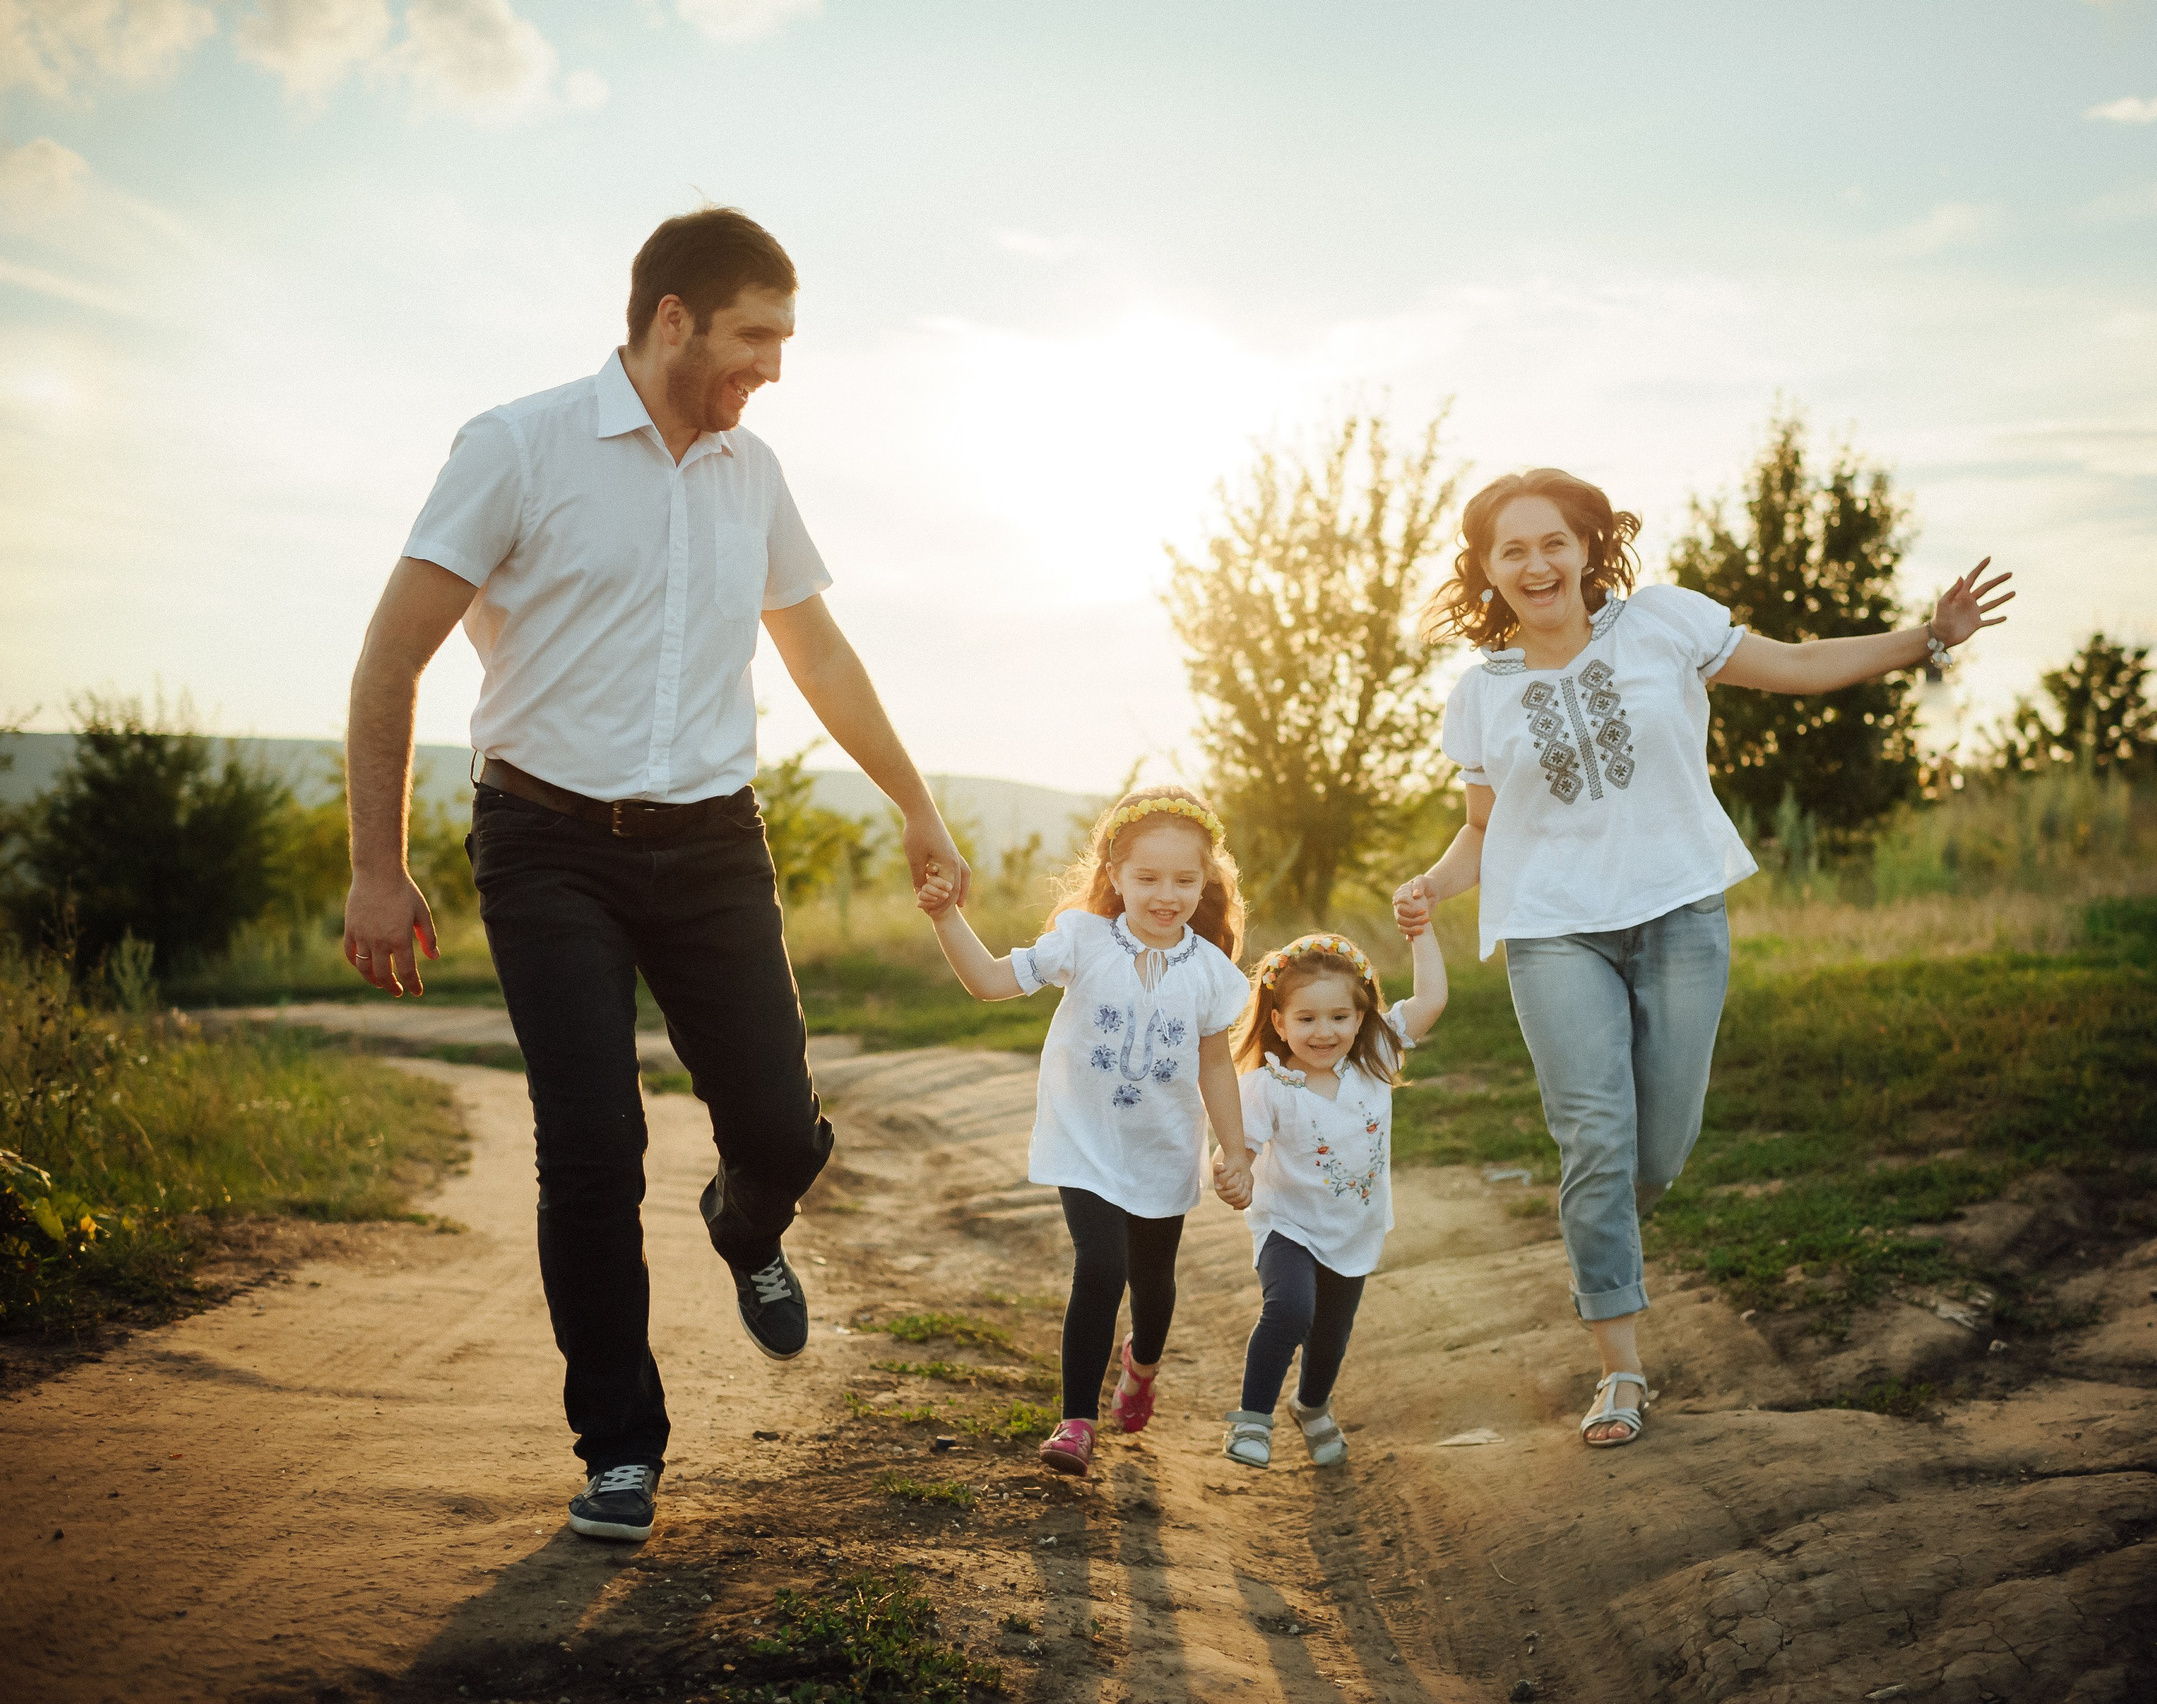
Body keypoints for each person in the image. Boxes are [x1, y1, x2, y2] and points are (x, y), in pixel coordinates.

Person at [341, 207, 971, 1542]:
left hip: (710, 839)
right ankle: (619, 1449)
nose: (776, 367)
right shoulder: (517, 446)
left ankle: (749, 1231)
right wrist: (375, 870)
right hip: (545, 839)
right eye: (758, 335)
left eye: (786, 340)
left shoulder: (751, 471)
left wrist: (914, 801)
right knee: (591, 1148)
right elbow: (390, 658)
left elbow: (822, 657)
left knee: (784, 1132)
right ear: (671, 318)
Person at [1391, 467, 2011, 1448]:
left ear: (1590, 548)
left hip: (1679, 913)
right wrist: (1432, 883)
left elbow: (1801, 665)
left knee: (1656, 1150)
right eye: (1510, 549)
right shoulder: (1481, 693)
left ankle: (1603, 1237)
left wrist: (1926, 638)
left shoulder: (1664, 625)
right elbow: (1482, 828)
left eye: (1553, 540)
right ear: (1485, 568)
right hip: (1553, 928)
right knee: (1594, 1138)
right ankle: (1620, 1371)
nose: (1535, 562)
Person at [912, 785, 1255, 1475]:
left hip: (1161, 1152)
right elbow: (987, 981)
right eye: (1148, 878)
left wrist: (1234, 1149)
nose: (1167, 894)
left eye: (1185, 880)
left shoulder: (1212, 975)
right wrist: (947, 914)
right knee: (1101, 1268)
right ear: (1114, 875)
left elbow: (1216, 1067)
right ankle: (1076, 1421)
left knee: (1153, 1287)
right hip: (1084, 1142)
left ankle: (1142, 1366)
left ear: (1205, 880)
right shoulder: (1082, 941)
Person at [1219, 927, 1446, 1470]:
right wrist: (1234, 1173)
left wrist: (1423, 932)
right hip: (1288, 1226)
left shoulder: (1374, 1062)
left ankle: (1311, 1406)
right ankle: (1253, 1419)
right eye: (1306, 1019)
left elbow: (1432, 999)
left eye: (1340, 1018)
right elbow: (1240, 1148)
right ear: (1278, 1021)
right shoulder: (1269, 1086)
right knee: (1290, 1309)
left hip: (1354, 1227)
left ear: (1362, 1018)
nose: (1324, 1032)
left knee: (1331, 1335)